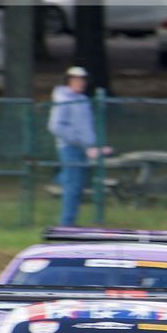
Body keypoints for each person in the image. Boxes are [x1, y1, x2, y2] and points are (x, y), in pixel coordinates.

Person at [48, 66, 109, 225]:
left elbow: (86, 127)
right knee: (73, 186)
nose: (79, 83)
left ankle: (70, 220)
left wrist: (93, 146)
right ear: (68, 81)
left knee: (79, 185)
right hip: (70, 148)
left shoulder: (82, 100)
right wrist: (80, 142)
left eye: (82, 80)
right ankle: (66, 224)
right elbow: (56, 126)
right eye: (75, 80)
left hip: (84, 149)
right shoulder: (63, 100)